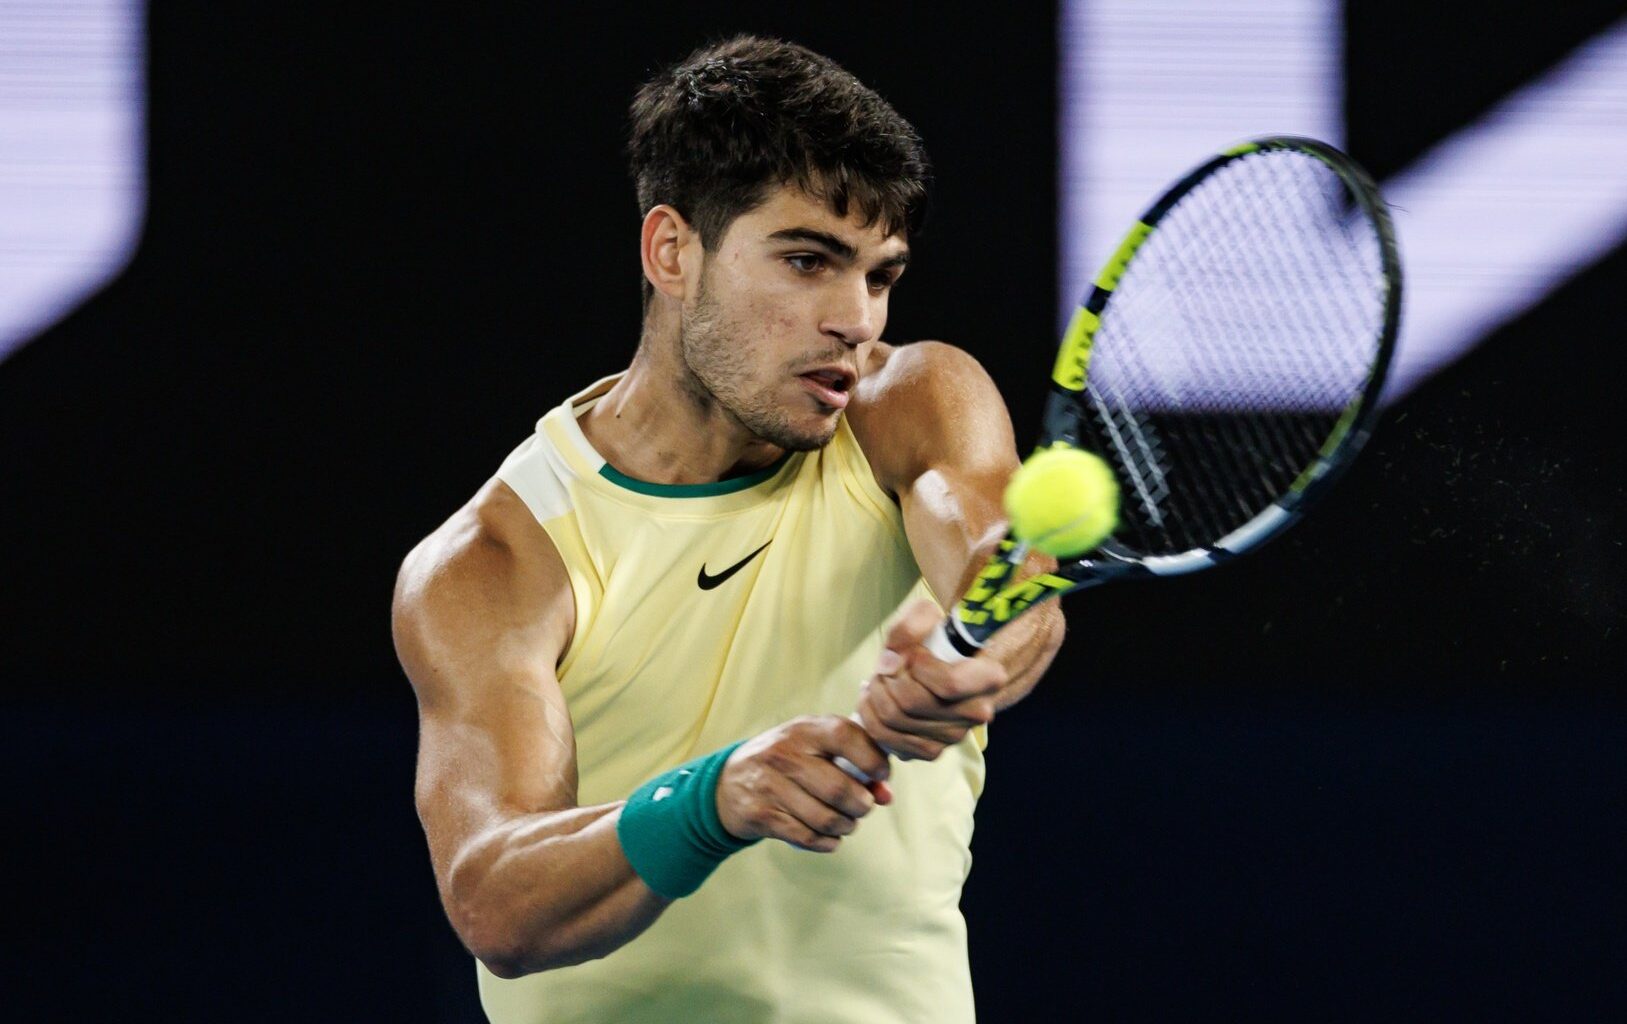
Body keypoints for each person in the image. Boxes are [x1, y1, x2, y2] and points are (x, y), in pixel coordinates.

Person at [391, 34, 1064, 1024]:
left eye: (880, 275)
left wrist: (980, 651)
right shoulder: (500, 559)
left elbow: (1009, 577)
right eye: (806, 260)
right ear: (672, 250)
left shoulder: (909, 405)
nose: (854, 319)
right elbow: (496, 899)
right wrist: (711, 801)